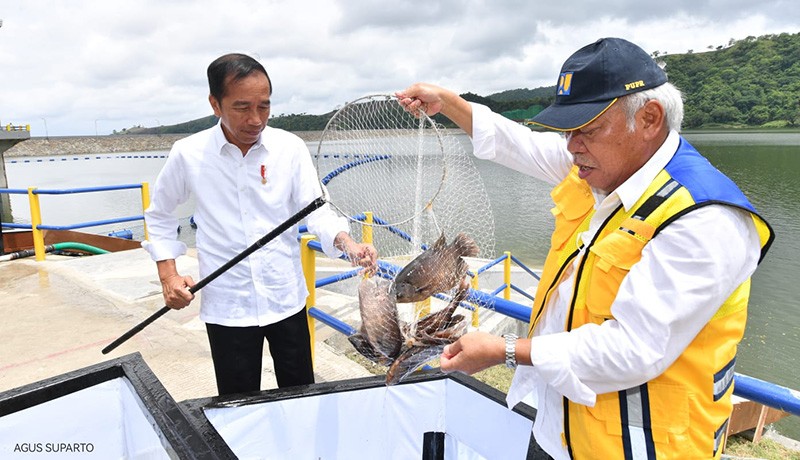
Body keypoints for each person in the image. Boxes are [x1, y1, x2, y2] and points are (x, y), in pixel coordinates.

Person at [397, 37, 774, 459]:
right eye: (568, 131)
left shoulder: (705, 218)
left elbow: (632, 348)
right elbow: (518, 143)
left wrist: (505, 350)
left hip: (639, 447)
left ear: (649, 118)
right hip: (558, 429)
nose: (572, 145)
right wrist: (448, 102)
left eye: (588, 129)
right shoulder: (602, 166)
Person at [143, 53, 377, 396]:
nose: (255, 119)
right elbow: (159, 213)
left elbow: (317, 209)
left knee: (300, 395)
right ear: (215, 104)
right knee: (238, 403)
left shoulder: (290, 148)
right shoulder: (188, 153)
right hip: (228, 305)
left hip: (286, 298)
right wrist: (169, 276)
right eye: (241, 107)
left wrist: (347, 242)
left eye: (264, 107)